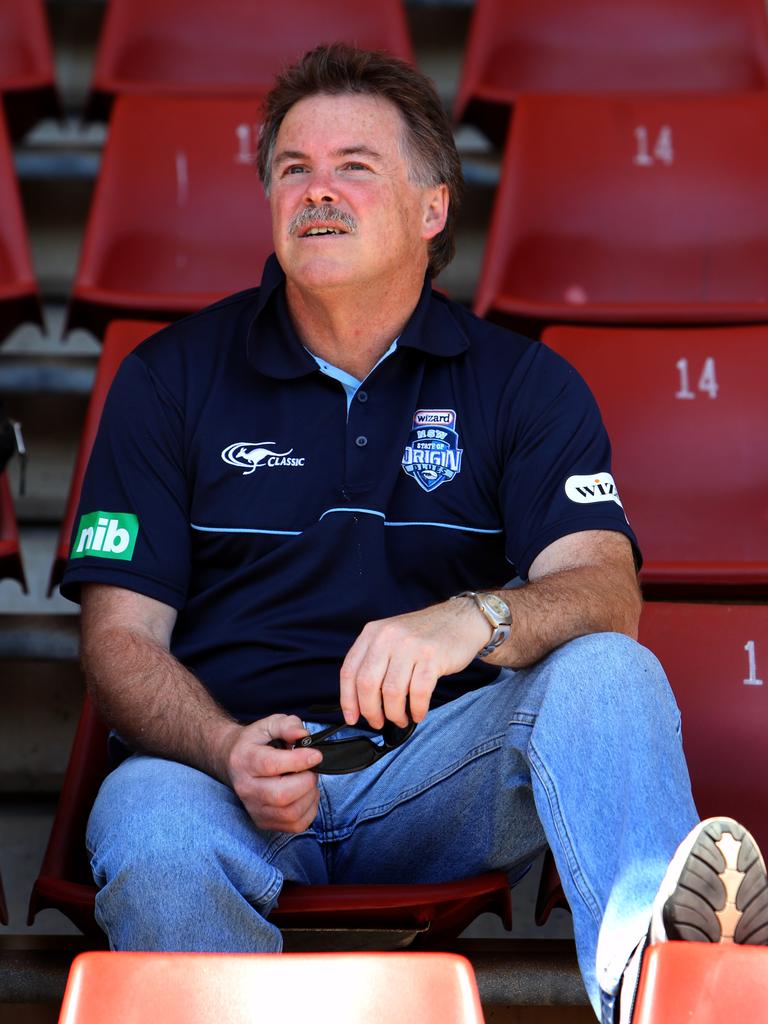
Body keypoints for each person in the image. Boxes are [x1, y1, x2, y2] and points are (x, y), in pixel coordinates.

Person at [61, 43, 768, 1023]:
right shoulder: (167, 378)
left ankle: (668, 973)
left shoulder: (522, 382)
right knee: (146, 823)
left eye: (355, 165)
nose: (317, 190)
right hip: (219, 775)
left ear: (433, 208)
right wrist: (225, 747)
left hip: (432, 773)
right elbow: (117, 640)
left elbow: (606, 588)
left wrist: (469, 618)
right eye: (292, 169)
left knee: (612, 667)